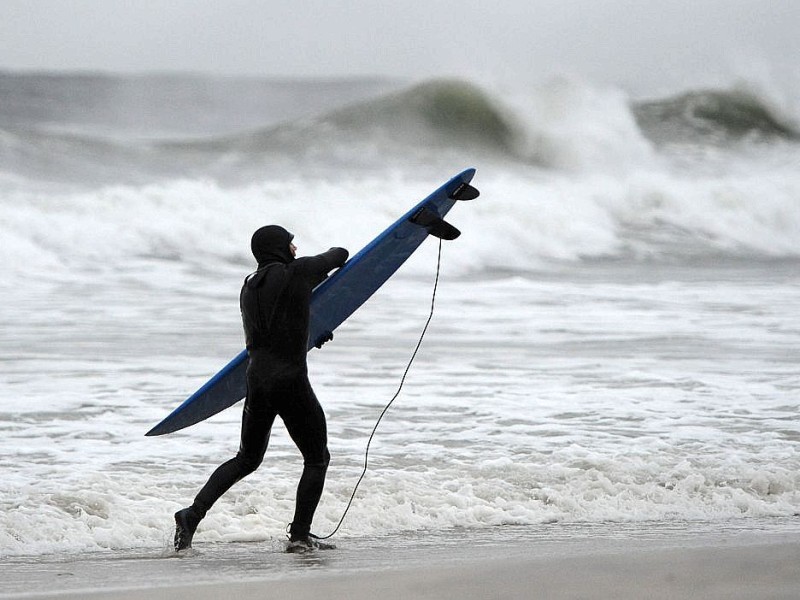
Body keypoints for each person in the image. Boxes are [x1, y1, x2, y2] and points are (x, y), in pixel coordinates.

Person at [173, 225, 348, 553]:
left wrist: (312, 335)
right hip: (290, 379)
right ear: (280, 247)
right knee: (316, 457)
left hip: (257, 380)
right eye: (291, 243)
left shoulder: (248, 287)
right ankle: (299, 536)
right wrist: (310, 266)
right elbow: (339, 256)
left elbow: (274, 329)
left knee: (247, 458)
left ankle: (192, 515)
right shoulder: (297, 272)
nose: (295, 248)